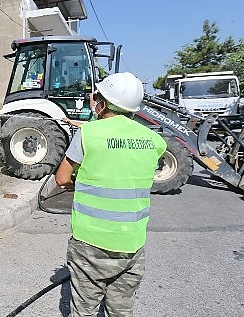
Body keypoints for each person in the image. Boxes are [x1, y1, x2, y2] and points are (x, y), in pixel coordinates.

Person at [55, 72, 166, 317]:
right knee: (121, 310)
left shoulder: (88, 134)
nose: (93, 101)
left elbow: (62, 179)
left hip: (90, 241)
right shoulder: (153, 140)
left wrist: (83, 182)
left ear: (102, 103)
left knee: (84, 309)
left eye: (96, 97)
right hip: (132, 242)